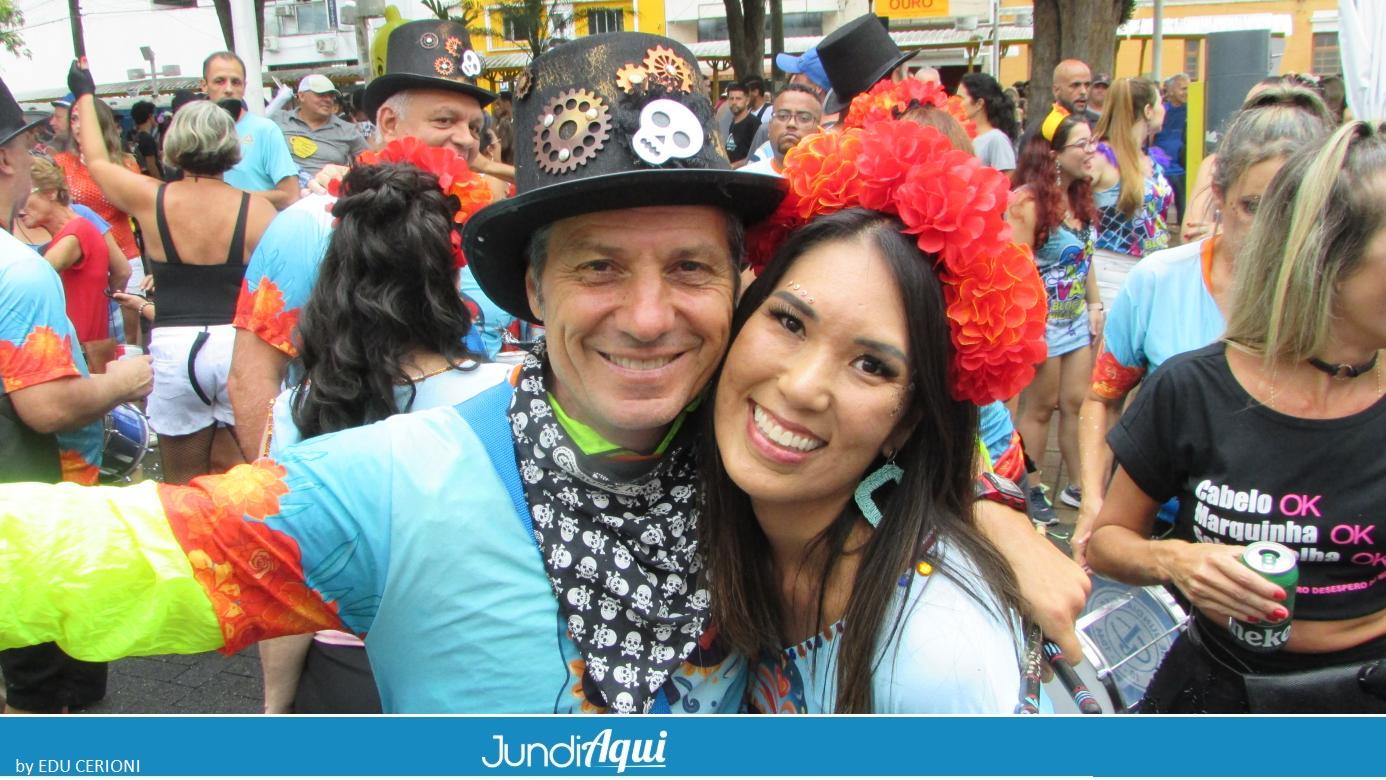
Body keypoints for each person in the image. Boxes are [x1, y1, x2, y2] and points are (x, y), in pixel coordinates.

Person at [0, 33, 1088, 713]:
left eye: (691, 269)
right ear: (533, 287)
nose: (649, 319)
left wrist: (994, 529)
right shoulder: (399, 482)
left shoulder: (757, 460)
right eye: (599, 267)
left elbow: (893, 450)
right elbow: (100, 554)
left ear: (739, 290)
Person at [706, 119, 1036, 712]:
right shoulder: (700, 511)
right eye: (789, 322)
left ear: (906, 423)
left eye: (871, 365)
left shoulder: (938, 654)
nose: (803, 387)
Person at [1088, 120, 1386, 713]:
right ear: (1325, 257)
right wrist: (1178, 560)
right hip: (1217, 688)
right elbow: (1107, 543)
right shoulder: (1192, 388)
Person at [259, 160, 502, 714]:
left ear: (336, 276)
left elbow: (287, 582)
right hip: (474, 669)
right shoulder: (507, 397)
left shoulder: (300, 409)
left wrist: (276, 702)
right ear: (449, 277)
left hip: (342, 674)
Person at [228, 19, 514, 461]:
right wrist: (283, 490)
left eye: (475, 127)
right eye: (445, 120)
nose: (465, 140)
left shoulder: (477, 228)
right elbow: (252, 377)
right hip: (350, 478)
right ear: (388, 122)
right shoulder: (313, 223)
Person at [1073, 88, 1334, 564]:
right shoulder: (1159, 282)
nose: (1275, 229)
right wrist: (1094, 500)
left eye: (1295, 207)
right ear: (1219, 196)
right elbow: (1103, 399)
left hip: (1308, 545)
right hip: (1163, 533)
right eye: (1253, 206)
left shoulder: (1344, 301)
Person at [0, 75, 152, 714]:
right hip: (34, 511)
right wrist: (126, 380)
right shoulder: (19, 270)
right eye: (28, 143)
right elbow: (47, 408)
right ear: (6, 161)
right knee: (49, 687)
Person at [69, 64, 277, 484]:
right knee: (251, 482)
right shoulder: (258, 210)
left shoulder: (151, 198)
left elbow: (96, 160)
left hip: (174, 348)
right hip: (236, 345)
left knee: (182, 486)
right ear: (230, 146)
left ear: (174, 144)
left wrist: (85, 93)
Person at [1008, 110, 1101, 522]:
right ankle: (1030, 486)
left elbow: (1086, 258)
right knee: (1040, 407)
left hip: (1076, 319)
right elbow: (1016, 265)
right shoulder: (1027, 203)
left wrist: (1094, 304)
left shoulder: (1080, 196)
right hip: (1041, 324)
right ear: (1053, 154)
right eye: (1082, 144)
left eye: (1092, 142)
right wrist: (1027, 327)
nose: (1092, 151)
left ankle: (1081, 486)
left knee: (1076, 402)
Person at [53, 98, 145, 346]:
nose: (78, 126)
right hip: (82, 260)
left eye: (84, 119)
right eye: (74, 119)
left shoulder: (125, 163)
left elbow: (135, 207)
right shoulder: (61, 163)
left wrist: (102, 170)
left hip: (124, 255)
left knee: (129, 339)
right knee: (92, 337)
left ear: (100, 123)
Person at [20, 156, 123, 373]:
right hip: (81, 349)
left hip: (79, 354)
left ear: (50, 192)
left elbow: (30, 280)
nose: (18, 204)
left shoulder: (76, 232)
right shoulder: (75, 230)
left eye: (24, 194)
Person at [1090, 78, 1173, 307]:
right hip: (1112, 274)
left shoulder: (1148, 158)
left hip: (1153, 271)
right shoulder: (1101, 157)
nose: (1164, 109)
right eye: (1160, 102)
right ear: (1147, 110)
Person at [202, 51, 300, 211]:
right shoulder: (194, 133)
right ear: (204, 85)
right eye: (219, 81)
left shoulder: (265, 130)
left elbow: (290, 196)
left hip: (258, 224)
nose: (228, 89)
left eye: (236, 82)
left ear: (244, 86)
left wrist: (229, 196)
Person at [272, 75, 368, 180]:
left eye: (331, 96)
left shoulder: (348, 130)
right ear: (302, 96)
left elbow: (370, 165)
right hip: (281, 186)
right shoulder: (279, 119)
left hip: (326, 187)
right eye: (321, 95)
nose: (328, 100)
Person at [742, 84, 822, 176]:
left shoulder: (831, 180)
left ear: (819, 131)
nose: (791, 124)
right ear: (769, 127)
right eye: (783, 116)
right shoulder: (744, 179)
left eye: (804, 118)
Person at [959, 72, 1019, 172]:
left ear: (979, 104)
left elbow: (1006, 178)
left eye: (961, 98)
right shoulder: (962, 136)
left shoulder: (997, 139)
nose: (956, 102)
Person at [1152, 73, 1190, 220]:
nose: (1187, 93)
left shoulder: (1192, 110)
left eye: (1189, 88)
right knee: (1160, 208)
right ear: (1171, 91)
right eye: (1183, 88)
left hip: (1181, 167)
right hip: (1162, 166)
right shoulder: (1162, 111)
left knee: (1184, 207)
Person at [723, 83, 760, 165]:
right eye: (731, 99)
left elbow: (757, 156)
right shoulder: (732, 122)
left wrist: (733, 166)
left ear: (747, 101)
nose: (734, 102)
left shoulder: (754, 123)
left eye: (738, 99)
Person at [129, 100, 163, 180]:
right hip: (152, 181)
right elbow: (151, 165)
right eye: (154, 115)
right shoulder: (148, 139)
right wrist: (161, 183)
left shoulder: (136, 137)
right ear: (150, 116)